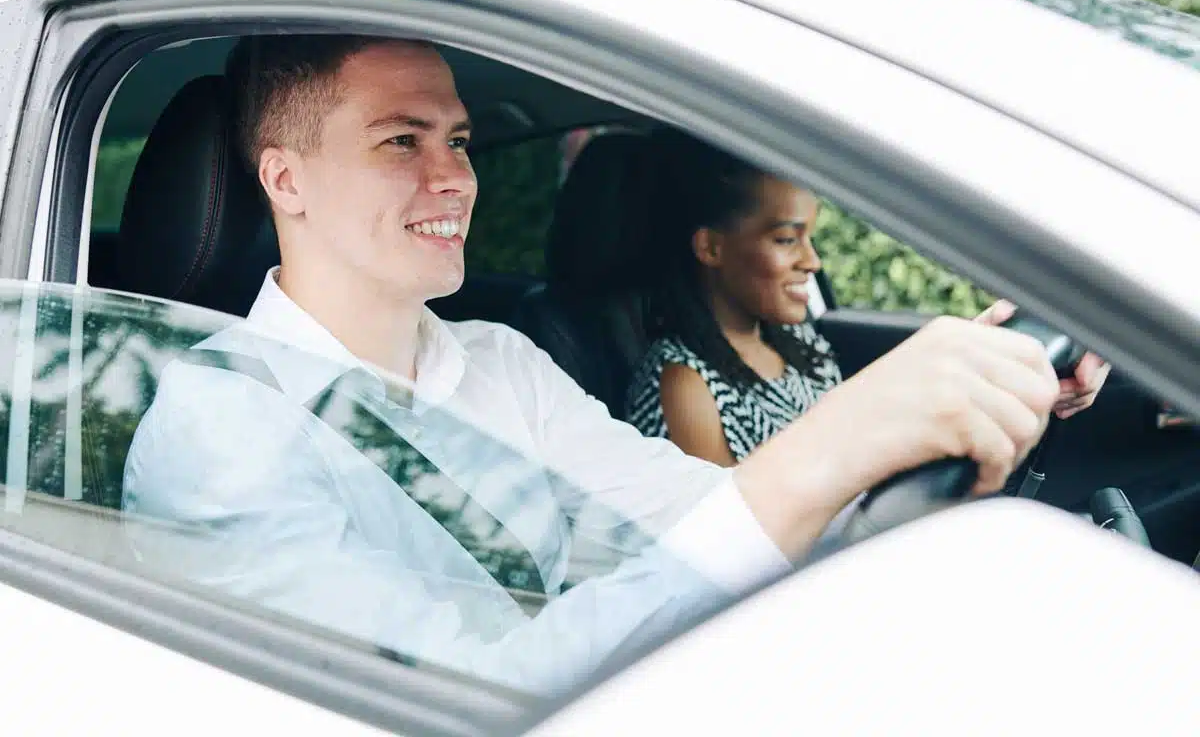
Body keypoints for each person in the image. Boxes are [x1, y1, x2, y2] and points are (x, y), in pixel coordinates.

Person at [122, 34, 1085, 696]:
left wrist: (954, 398)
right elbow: (463, 700)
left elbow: (697, 515)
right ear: (285, 179)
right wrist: (827, 450)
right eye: (400, 141)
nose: (456, 174)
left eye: (456, 139)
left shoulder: (501, 363)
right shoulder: (221, 427)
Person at [626, 130, 1110, 466]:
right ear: (710, 247)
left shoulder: (796, 342)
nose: (812, 262)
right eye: (786, 240)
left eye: (810, 238)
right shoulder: (684, 383)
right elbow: (732, 548)